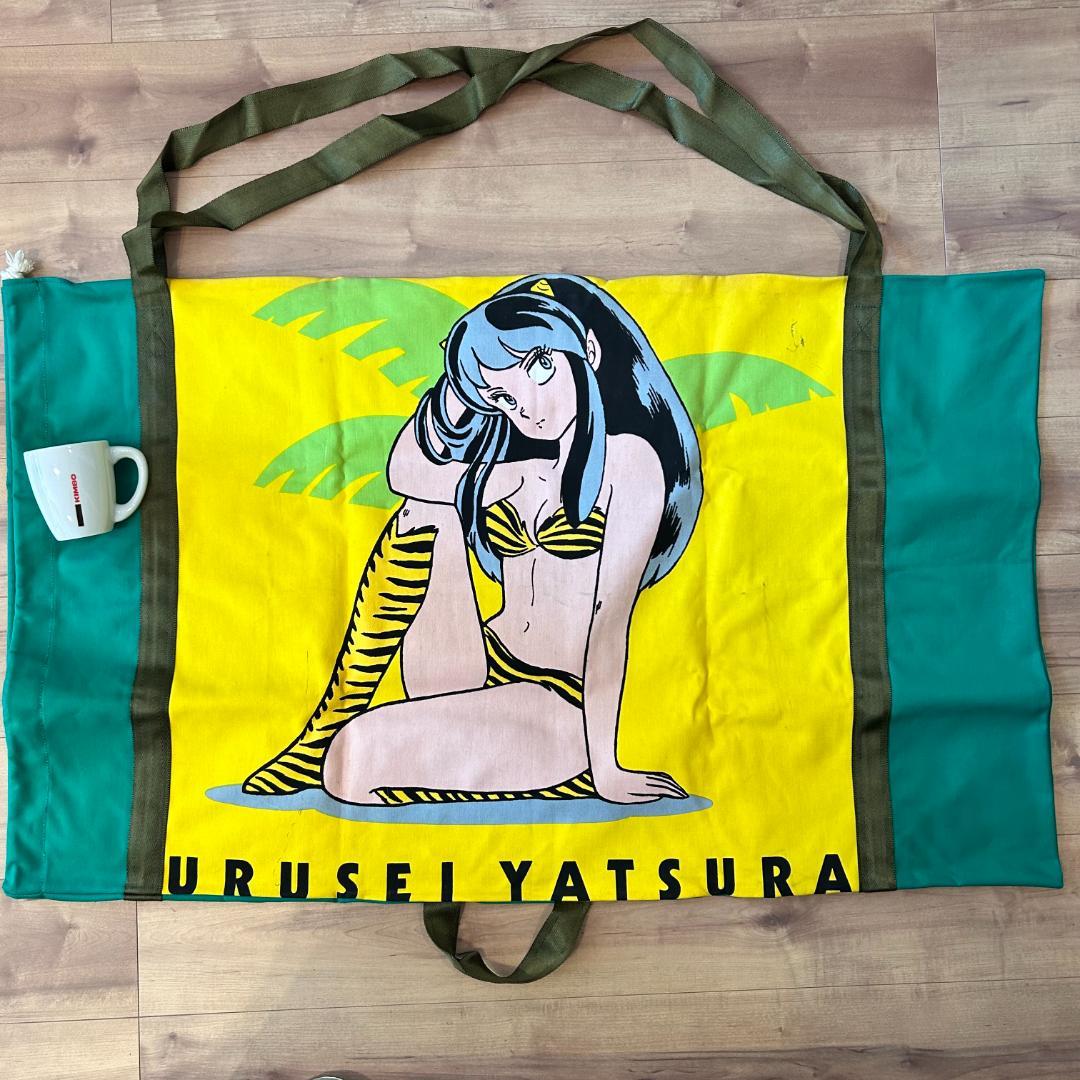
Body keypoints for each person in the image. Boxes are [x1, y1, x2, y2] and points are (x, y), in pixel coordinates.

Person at [243, 274, 702, 807]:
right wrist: (463, 380)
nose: (527, 407)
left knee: (351, 763)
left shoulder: (631, 464)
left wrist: (607, 769)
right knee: (424, 510)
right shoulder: (518, 472)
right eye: (503, 396)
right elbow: (405, 471)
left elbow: (609, 621)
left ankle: (547, 770)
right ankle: (329, 723)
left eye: (539, 367)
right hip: (475, 663)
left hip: (555, 701)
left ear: (589, 350)